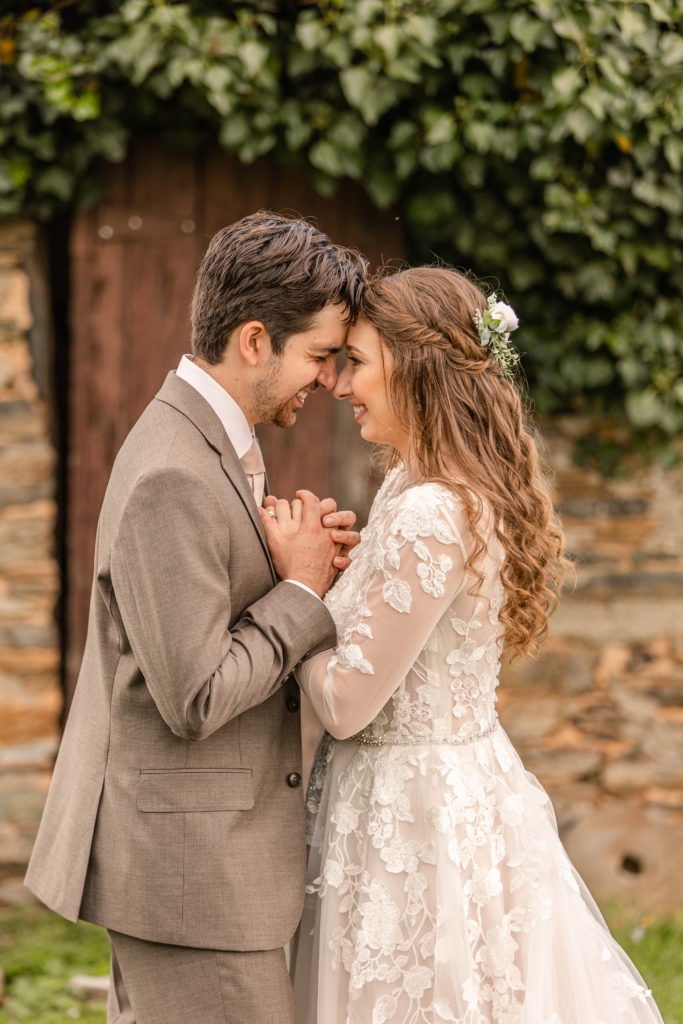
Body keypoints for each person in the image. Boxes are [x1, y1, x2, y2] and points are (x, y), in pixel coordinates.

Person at [261, 266, 665, 1023]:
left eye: (358, 362)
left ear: (413, 371)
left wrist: (300, 594)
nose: (341, 386)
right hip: (420, 793)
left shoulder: (431, 512)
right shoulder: (410, 485)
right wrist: (341, 575)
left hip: (414, 819)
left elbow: (348, 703)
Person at [25, 211, 367, 1024]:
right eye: (318, 356)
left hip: (205, 871)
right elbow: (195, 696)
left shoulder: (207, 444)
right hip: (191, 879)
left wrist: (295, 566)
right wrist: (304, 594)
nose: (327, 380)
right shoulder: (173, 474)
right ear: (254, 341)